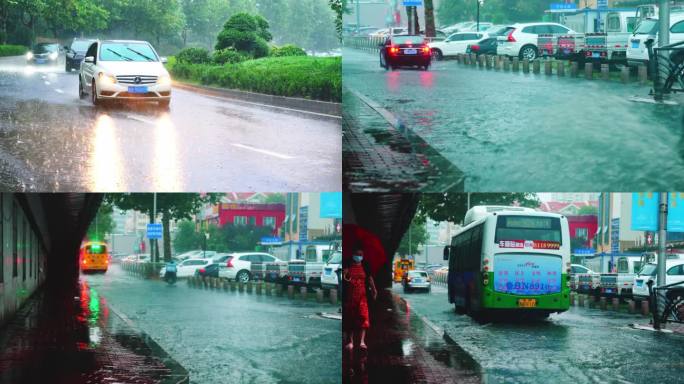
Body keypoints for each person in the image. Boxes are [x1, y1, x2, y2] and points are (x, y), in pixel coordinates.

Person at [343, 243, 377, 356]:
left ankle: (362, 342)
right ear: (353, 255)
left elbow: (370, 279)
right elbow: (345, 280)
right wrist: (345, 274)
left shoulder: (365, 266)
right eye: (357, 254)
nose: (359, 256)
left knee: (364, 318)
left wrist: (374, 290)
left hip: (363, 297)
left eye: (361, 254)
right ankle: (350, 341)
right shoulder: (347, 266)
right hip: (350, 297)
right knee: (350, 319)